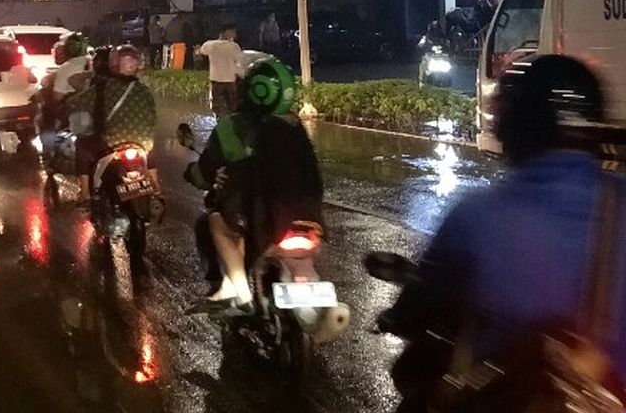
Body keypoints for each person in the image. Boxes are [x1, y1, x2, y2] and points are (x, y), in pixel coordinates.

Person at [382, 55, 626, 401]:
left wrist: (397, 317)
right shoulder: (618, 200)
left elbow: (420, 303)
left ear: (516, 128)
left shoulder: (477, 216)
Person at [185, 58, 323, 309]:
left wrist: (199, 175)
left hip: (259, 216)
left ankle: (241, 292)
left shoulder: (231, 127)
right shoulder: (294, 127)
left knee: (217, 223)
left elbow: (206, 172)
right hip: (307, 216)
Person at [66, 44, 157, 202]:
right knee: (150, 153)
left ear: (113, 64)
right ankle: (157, 192)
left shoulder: (103, 87)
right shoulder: (145, 91)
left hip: (112, 143)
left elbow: (74, 103)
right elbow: (153, 118)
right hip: (142, 143)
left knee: (82, 145)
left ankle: (85, 193)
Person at [197, 24, 245, 117]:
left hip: (215, 80)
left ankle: (218, 123)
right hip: (230, 81)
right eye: (233, 32)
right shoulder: (234, 47)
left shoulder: (210, 44)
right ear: (226, 32)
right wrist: (241, 75)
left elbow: (200, 51)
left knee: (217, 107)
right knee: (232, 107)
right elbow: (239, 64)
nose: (235, 35)